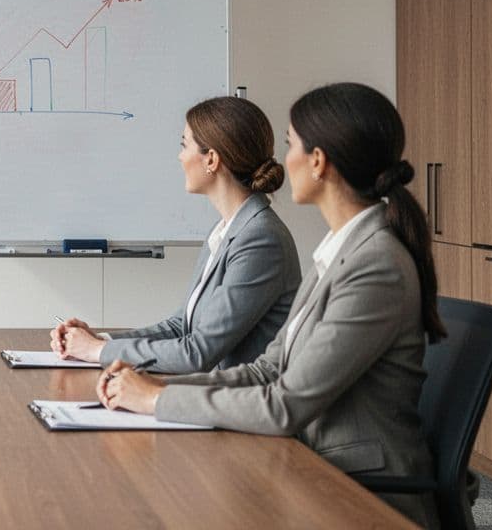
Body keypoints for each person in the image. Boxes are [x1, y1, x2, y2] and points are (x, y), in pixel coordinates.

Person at [100, 82, 445, 527]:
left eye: (291, 145)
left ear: (318, 161)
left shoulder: (374, 265)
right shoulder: (340, 249)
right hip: (310, 460)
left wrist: (154, 402)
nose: (283, 160)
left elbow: (284, 406)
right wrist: (159, 389)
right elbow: (266, 370)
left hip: (355, 491)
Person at [50, 96, 301, 373]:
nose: (180, 156)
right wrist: (101, 341)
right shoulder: (226, 230)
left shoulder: (260, 240)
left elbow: (197, 352)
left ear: (212, 159)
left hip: (234, 408)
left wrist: (97, 351)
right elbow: (180, 326)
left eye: (184, 145)